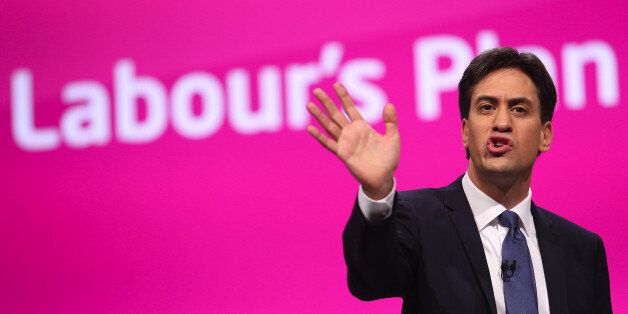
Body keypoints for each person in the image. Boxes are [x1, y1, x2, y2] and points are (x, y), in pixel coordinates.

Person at [306, 47, 611, 314]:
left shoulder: (582, 250)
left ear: (545, 135)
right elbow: (371, 280)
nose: (501, 123)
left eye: (519, 109)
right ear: (466, 130)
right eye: (486, 107)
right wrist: (377, 191)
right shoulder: (418, 218)